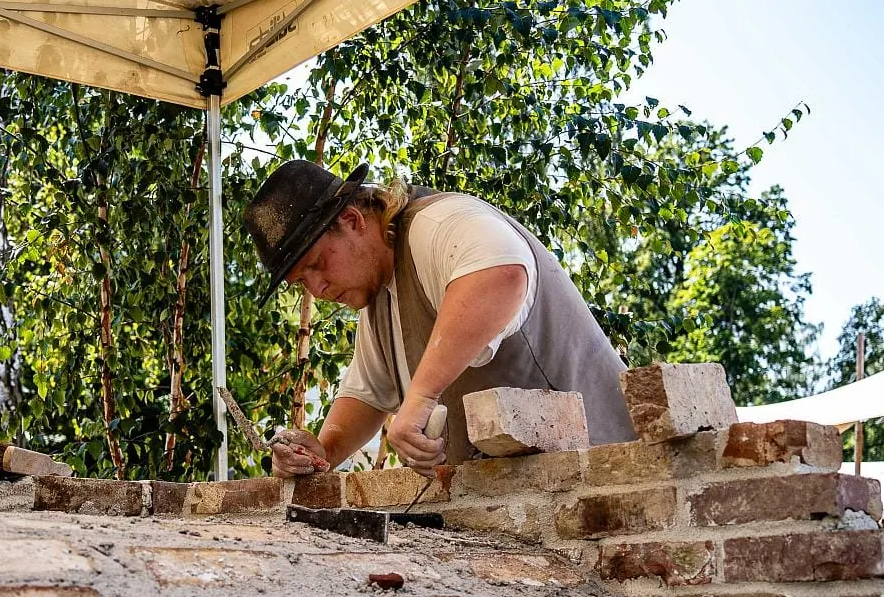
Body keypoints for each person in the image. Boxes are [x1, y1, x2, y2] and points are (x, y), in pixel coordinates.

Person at [241, 161, 638, 476]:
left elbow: (501, 275)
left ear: (352, 221)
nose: (318, 289)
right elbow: (366, 394)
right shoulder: (377, 292)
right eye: (302, 282)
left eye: (318, 264)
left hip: (608, 474)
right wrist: (322, 452)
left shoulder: (438, 224)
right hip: (528, 507)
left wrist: (420, 397)